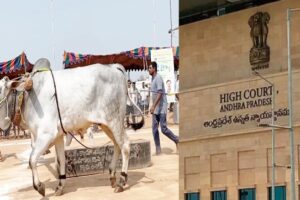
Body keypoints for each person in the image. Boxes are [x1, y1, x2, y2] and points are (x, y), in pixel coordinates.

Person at [148, 61, 179, 155]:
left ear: (154, 68)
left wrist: (153, 106)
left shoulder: (158, 78)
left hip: (161, 108)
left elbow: (160, 93)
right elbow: (153, 94)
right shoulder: (152, 78)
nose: (148, 70)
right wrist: (152, 106)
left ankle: (177, 139)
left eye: (150, 68)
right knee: (154, 128)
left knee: (163, 129)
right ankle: (158, 149)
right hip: (155, 109)